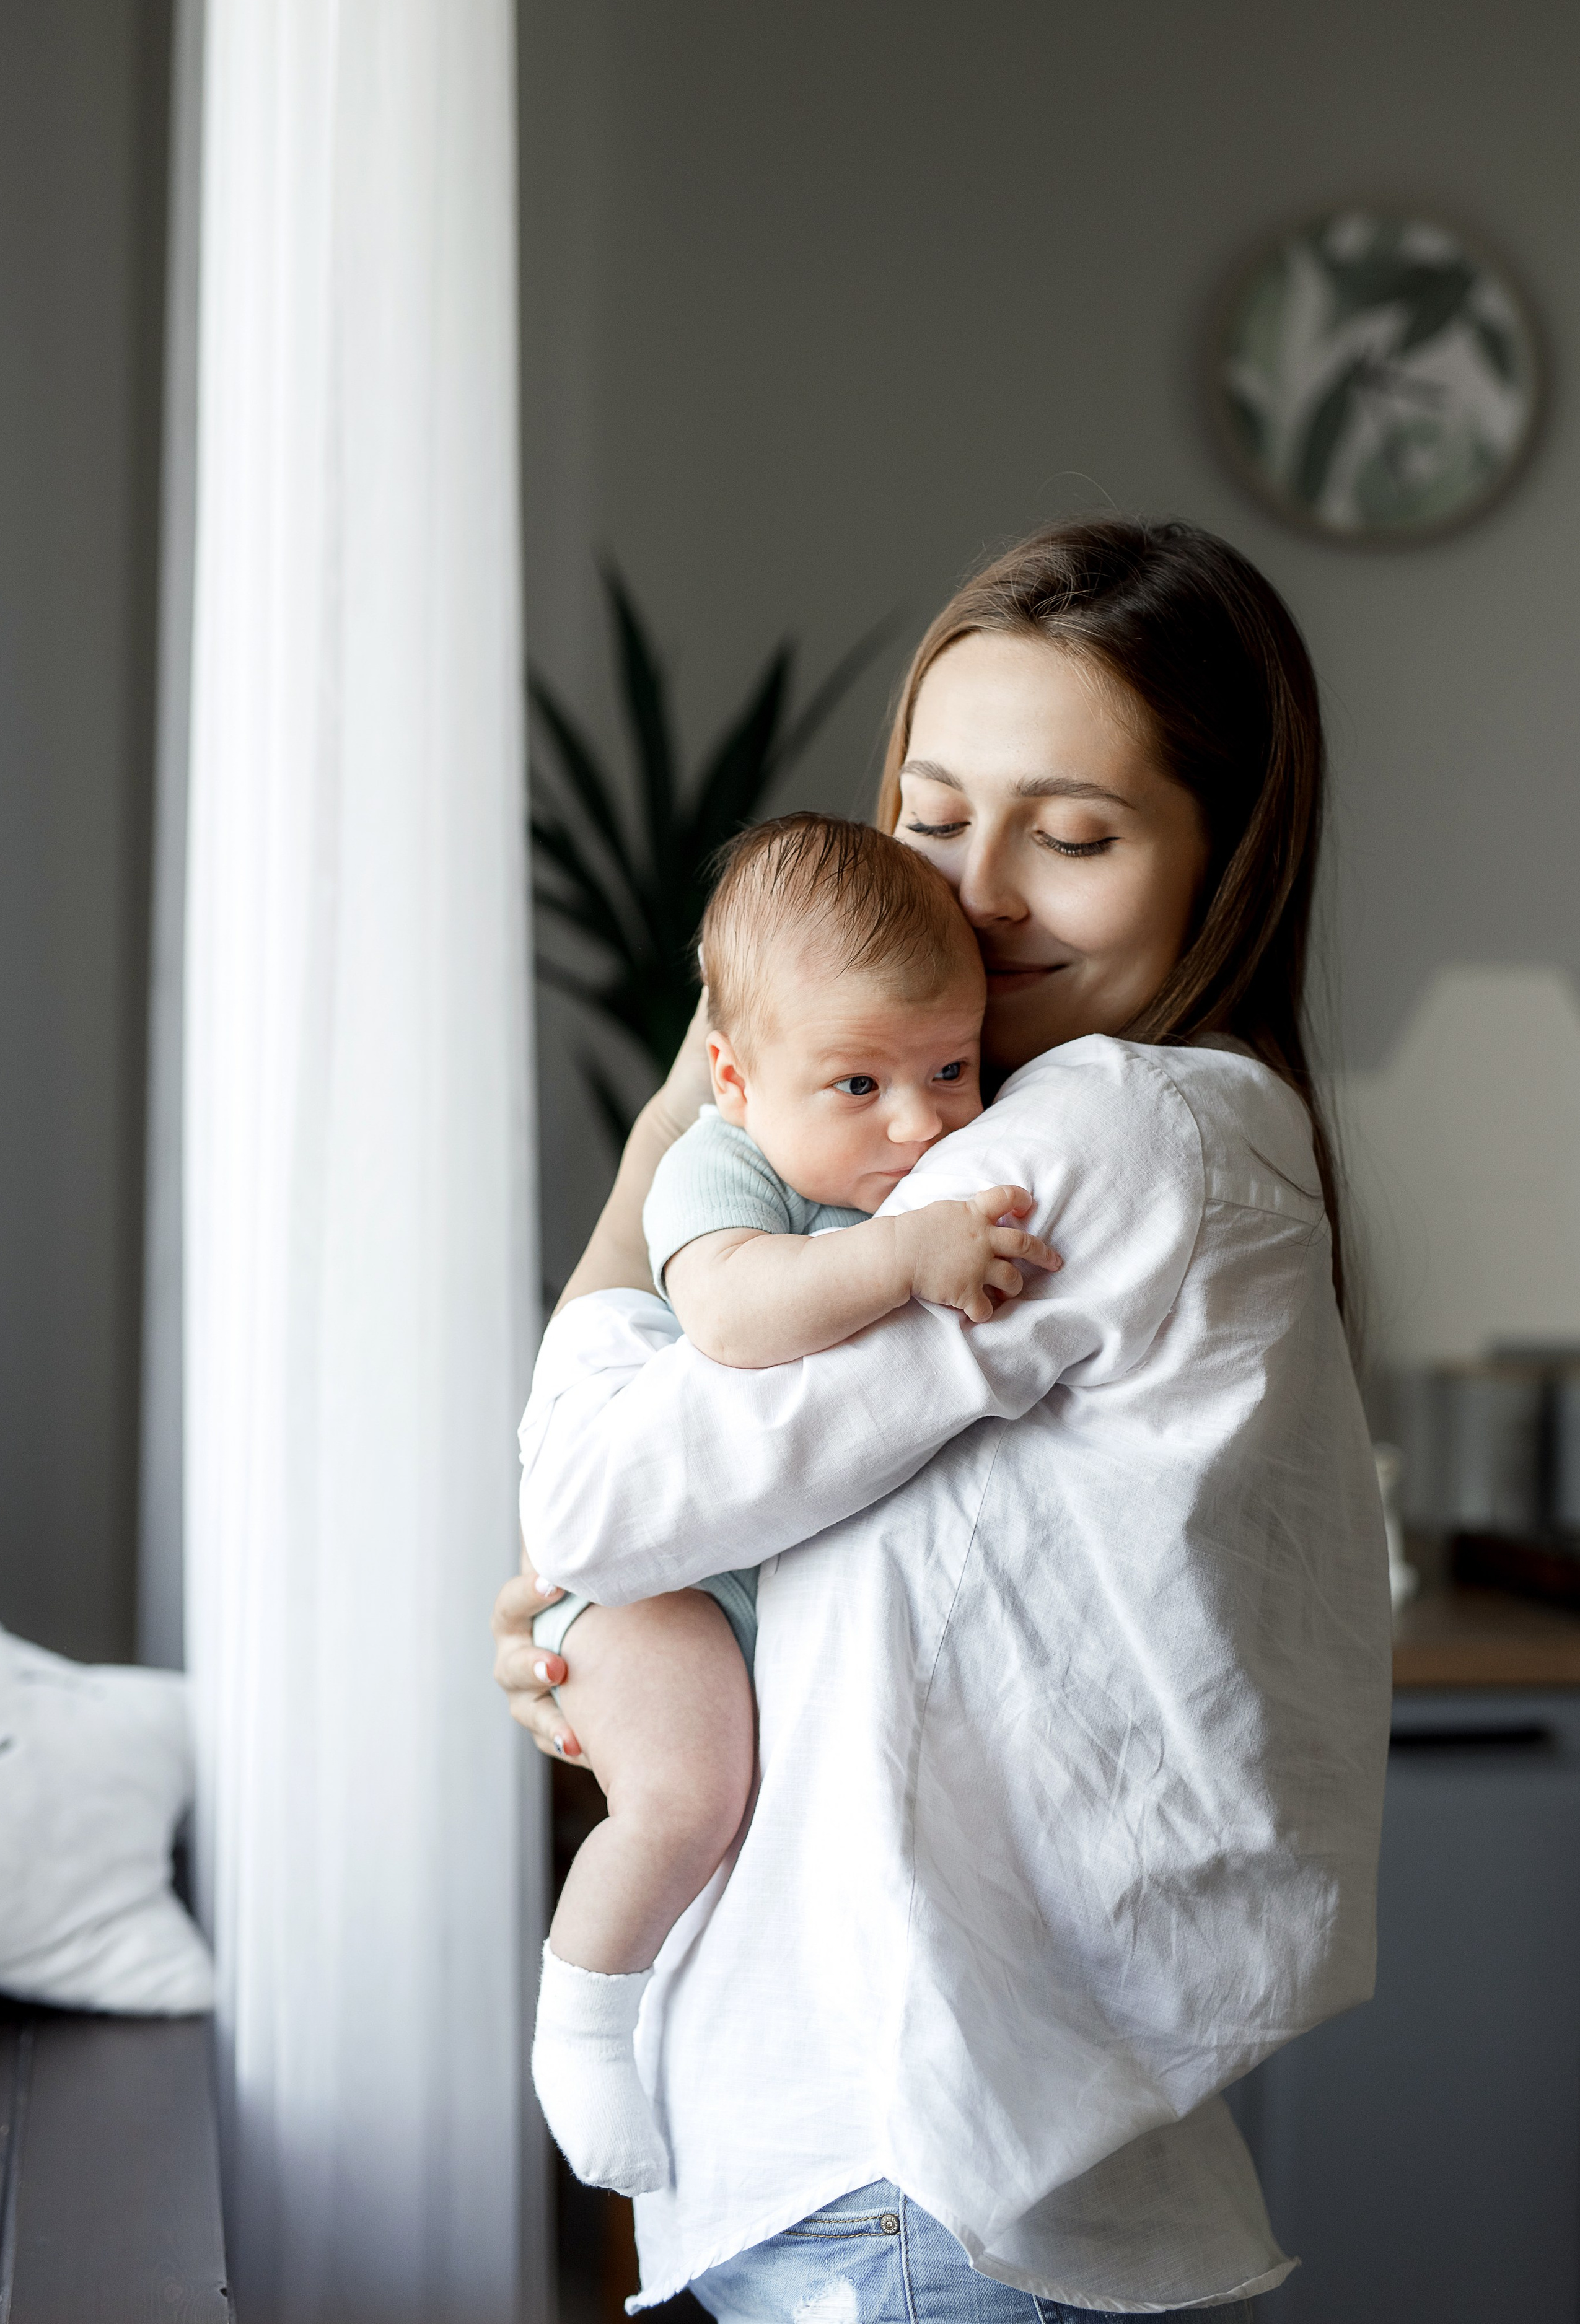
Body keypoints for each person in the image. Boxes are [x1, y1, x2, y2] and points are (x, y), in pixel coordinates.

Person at [495, 518, 1392, 2323]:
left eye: (1072, 836)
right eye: (930, 814)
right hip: (959, 2179)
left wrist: (683, 1130)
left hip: (912, 2185)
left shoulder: (1100, 1142)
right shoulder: (1093, 1141)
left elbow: (602, 1490)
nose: (979, 892)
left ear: (1226, 867)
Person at [529, 813, 1058, 2197]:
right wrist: (901, 1257)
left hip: (746, 1566)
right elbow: (735, 1316)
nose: (920, 1119)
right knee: (684, 1796)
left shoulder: (909, 1148)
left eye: (951, 1066)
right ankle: (582, 2021)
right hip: (662, 1586)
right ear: (733, 1075)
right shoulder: (722, 1162)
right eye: (859, 1084)